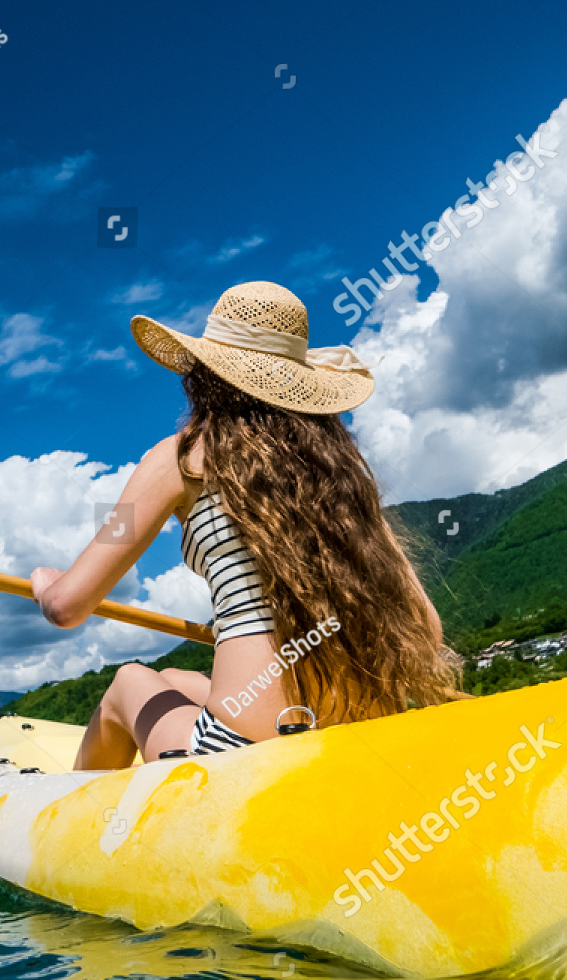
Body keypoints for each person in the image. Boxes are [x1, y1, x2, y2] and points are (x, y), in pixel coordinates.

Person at [29, 281, 460, 770]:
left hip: (245, 749)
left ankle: (83, 822)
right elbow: (426, 626)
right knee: (171, 675)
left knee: (128, 680)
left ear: (204, 374)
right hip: (363, 727)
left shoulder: (178, 459)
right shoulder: (342, 481)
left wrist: (46, 584)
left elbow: (68, 607)